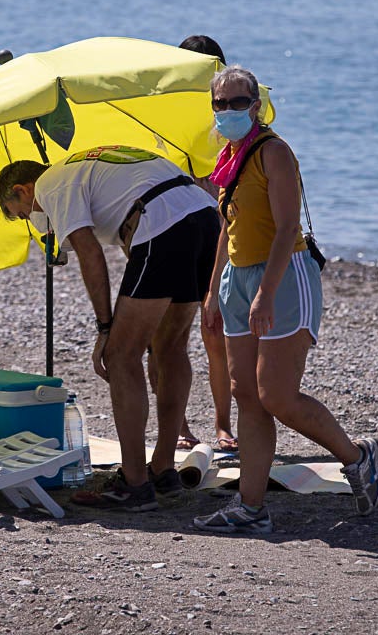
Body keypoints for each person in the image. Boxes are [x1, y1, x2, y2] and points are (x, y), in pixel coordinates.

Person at [192, 66, 378, 535]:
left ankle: (358, 458)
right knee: (246, 396)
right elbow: (228, 229)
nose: (230, 111)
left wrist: (265, 292)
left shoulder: (273, 153)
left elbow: (285, 230)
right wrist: (215, 290)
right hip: (237, 278)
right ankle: (250, 507)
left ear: (256, 105)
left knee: (274, 394)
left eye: (239, 103)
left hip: (282, 275)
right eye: (222, 104)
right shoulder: (229, 156)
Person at [0, 146, 221, 511]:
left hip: (162, 225)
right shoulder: (84, 168)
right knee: (169, 348)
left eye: (20, 214)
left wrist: (105, 328)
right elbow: (132, 241)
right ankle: (163, 469)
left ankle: (134, 484)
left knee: (120, 356)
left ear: (22, 190)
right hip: (205, 219)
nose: (29, 220)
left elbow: (89, 252)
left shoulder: (51, 185)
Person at [150, 34, 236, 454]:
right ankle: (178, 424)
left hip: (218, 234)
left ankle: (223, 425)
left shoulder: (232, 115)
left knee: (215, 335)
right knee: (168, 337)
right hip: (170, 232)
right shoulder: (161, 116)